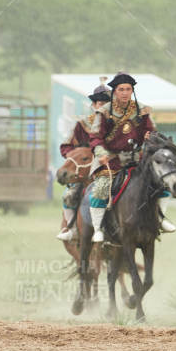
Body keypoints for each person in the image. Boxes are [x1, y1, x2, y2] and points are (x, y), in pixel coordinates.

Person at [84, 72, 171, 242]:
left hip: (136, 158)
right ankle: (98, 228)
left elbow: (150, 130)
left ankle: (160, 220)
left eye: (128, 89)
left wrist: (148, 135)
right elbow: (95, 137)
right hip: (110, 160)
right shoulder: (104, 112)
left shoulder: (142, 110)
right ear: (115, 91)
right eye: (121, 89)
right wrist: (101, 154)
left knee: (161, 183)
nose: (124, 92)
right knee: (101, 188)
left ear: (132, 91)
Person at [55, 81, 110, 241]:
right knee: (69, 195)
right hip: (85, 170)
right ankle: (71, 229)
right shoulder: (82, 124)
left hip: (110, 167)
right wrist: (78, 157)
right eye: (100, 103)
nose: (103, 106)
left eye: (106, 103)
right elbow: (66, 146)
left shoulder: (116, 124)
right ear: (93, 104)